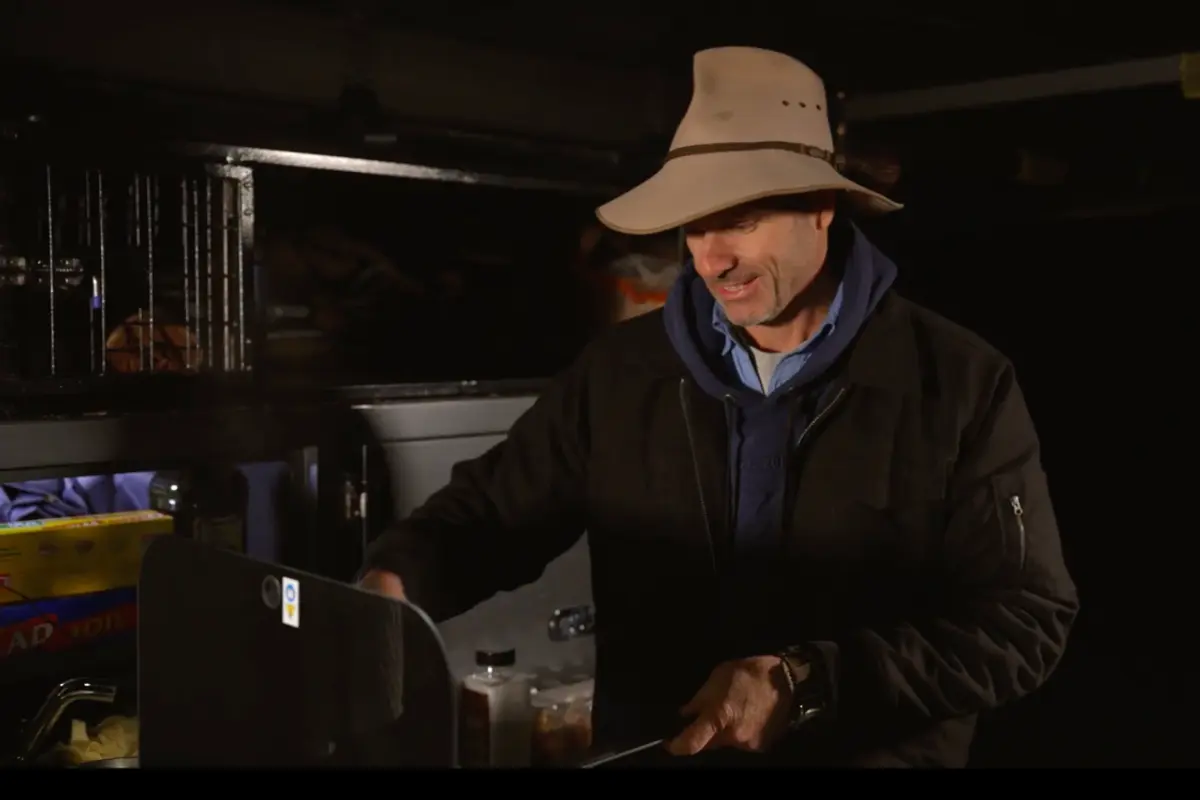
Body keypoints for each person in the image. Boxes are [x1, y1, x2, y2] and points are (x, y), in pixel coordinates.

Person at [360, 46, 1078, 768]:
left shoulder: (956, 384)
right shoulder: (620, 373)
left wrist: (809, 681)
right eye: (695, 228)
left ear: (821, 208)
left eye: (741, 220)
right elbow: (490, 515)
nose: (711, 261)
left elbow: (1022, 624)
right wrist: (393, 584)